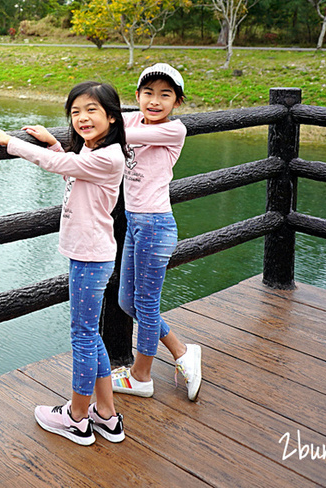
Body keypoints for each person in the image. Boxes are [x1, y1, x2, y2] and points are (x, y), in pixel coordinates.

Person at [0, 81, 128, 446]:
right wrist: (55, 142)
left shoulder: (109, 156)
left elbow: (62, 165)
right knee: (90, 334)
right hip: (90, 254)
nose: (82, 118)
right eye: (75, 112)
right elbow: (71, 167)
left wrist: (10, 142)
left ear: (111, 116)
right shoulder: (94, 155)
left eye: (91, 110)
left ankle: (77, 418)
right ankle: (106, 416)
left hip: (90, 257)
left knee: (82, 336)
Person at [111, 62, 202, 401]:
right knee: (126, 301)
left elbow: (116, 131)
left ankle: (142, 376)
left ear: (177, 102)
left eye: (165, 95)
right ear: (137, 95)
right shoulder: (132, 117)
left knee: (146, 305)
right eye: (148, 93)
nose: (155, 100)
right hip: (136, 223)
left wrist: (101, 122)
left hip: (155, 224)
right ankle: (181, 352)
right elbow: (108, 118)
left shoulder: (173, 130)